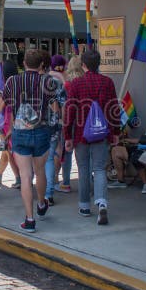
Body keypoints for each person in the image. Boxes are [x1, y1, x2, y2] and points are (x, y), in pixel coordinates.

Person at [0, 49, 58, 233]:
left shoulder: (12, 81)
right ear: (41, 65)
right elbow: (56, 108)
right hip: (41, 132)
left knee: (25, 176)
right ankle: (41, 203)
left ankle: (29, 219)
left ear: (24, 63)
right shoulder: (48, 82)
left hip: (19, 133)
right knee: (40, 172)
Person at [63, 49, 119, 225]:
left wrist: (67, 135)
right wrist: (115, 132)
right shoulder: (108, 82)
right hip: (101, 133)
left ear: (83, 65)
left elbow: (70, 110)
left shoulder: (76, 84)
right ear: (99, 63)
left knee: (84, 169)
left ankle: (84, 206)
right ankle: (102, 203)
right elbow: (113, 108)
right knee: (100, 168)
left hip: (81, 134)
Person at [56, 55, 84, 193]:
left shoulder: (67, 85)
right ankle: (86, 183)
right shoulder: (86, 82)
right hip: (84, 124)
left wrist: (63, 121)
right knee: (84, 155)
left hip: (69, 122)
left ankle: (66, 183)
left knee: (66, 154)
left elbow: (63, 106)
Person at [43, 52, 67, 206]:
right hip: (51, 126)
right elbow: (62, 105)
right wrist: (63, 122)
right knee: (49, 158)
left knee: (33, 160)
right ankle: (48, 194)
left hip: (28, 127)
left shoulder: (23, 80)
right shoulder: (55, 82)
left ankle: (34, 189)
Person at [0, 60, 21, 188]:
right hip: (19, 122)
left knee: (9, 152)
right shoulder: (20, 83)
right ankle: (0, 175)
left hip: (7, 125)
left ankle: (19, 178)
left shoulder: (7, 86)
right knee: (7, 151)